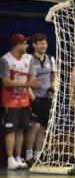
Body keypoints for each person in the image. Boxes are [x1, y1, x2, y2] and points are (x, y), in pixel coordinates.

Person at [0, 34, 41, 170]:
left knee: (21, 130)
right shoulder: (5, 59)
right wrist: (27, 84)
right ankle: (10, 159)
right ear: (17, 45)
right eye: (24, 43)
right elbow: (6, 82)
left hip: (24, 102)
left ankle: (18, 157)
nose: (27, 46)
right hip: (10, 102)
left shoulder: (29, 59)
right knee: (10, 130)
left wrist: (33, 83)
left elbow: (32, 78)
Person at [25, 33, 56, 167]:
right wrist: (33, 98)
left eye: (45, 43)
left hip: (47, 98)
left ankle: (38, 156)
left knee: (43, 128)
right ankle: (28, 155)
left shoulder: (51, 59)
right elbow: (26, 81)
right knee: (34, 127)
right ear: (34, 45)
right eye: (41, 43)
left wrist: (53, 87)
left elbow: (54, 76)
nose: (44, 45)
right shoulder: (29, 60)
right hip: (34, 98)